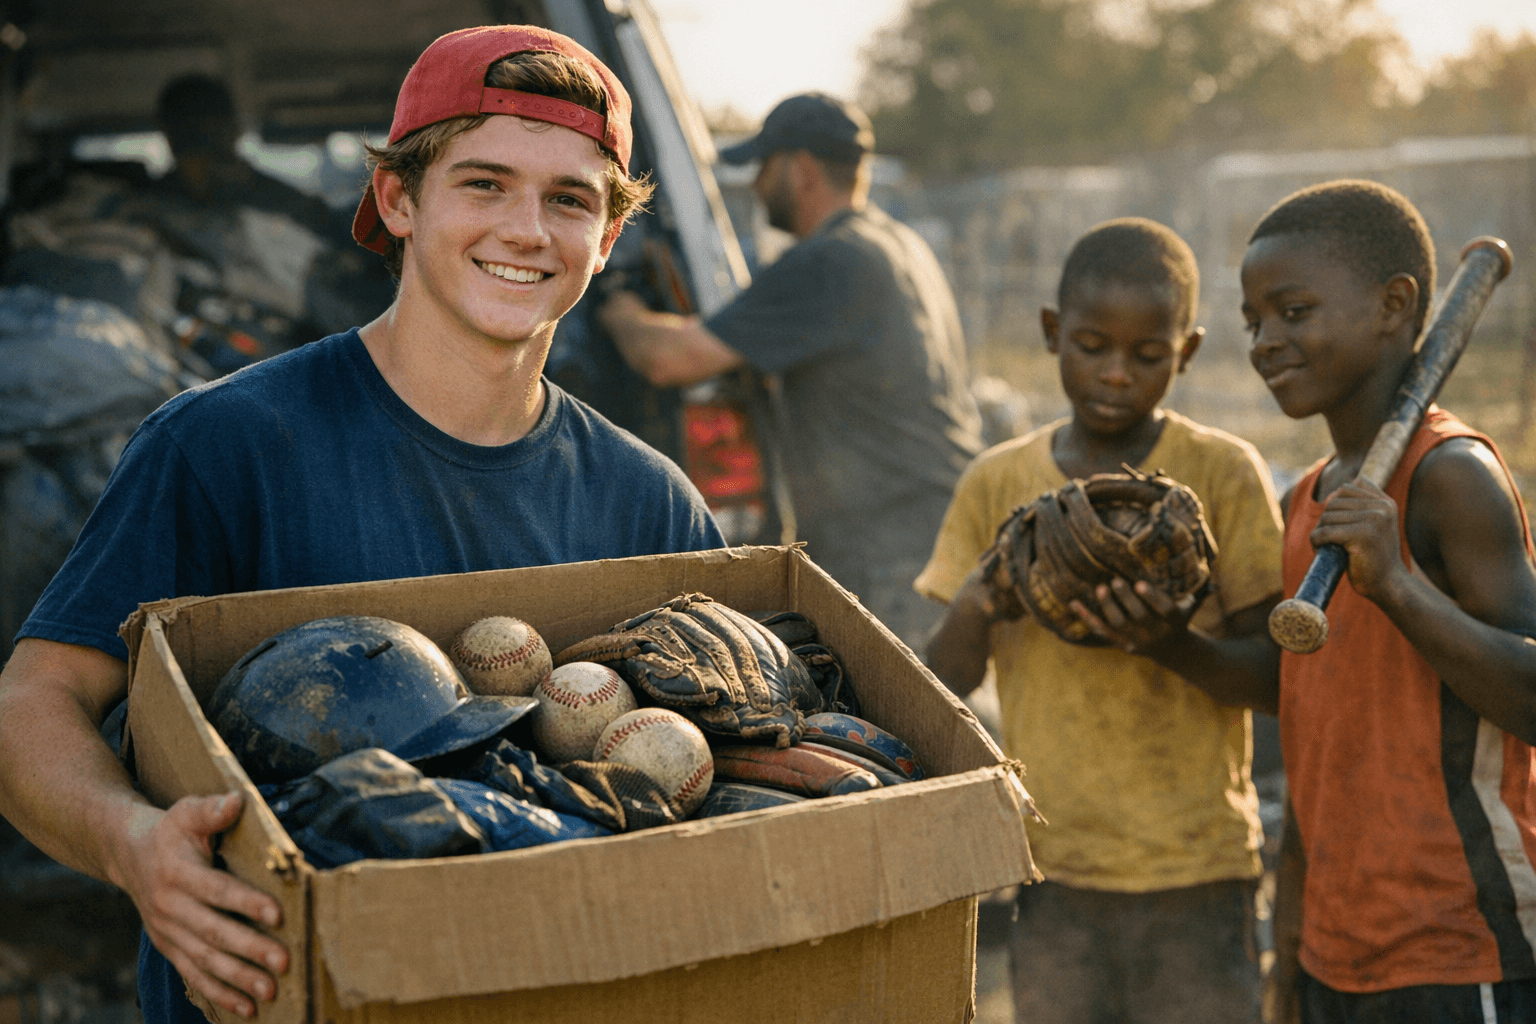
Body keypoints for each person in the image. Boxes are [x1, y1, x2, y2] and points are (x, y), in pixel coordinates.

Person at [0, 25, 724, 1023]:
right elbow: (33, 702)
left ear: (607, 238)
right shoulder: (226, 446)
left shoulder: (651, 502)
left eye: (570, 198)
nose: (526, 229)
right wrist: (132, 844)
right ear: (398, 200)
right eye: (483, 183)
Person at [1074, 182, 1536, 1023]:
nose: (1265, 341)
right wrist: (1169, 643)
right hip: (1332, 949)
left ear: (1396, 305)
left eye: (1293, 310)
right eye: (1254, 321)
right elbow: (1303, 701)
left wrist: (1396, 585)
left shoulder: (1449, 477)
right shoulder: (1312, 500)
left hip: (1454, 945)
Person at [917, 218, 1284, 1023]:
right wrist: (981, 602)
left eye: (1148, 356)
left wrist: (1171, 644)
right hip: (1054, 866)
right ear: (1053, 334)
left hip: (1199, 868)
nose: (1116, 374)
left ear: (1185, 352)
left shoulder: (1221, 473)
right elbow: (943, 685)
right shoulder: (998, 482)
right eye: (1091, 345)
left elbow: (1277, 678)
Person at [598, 92, 984, 649]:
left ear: (799, 170)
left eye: (764, 168)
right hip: (931, 531)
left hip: (891, 554)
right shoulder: (895, 242)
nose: (756, 186)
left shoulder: (831, 261)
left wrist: (615, 304)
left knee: (904, 726)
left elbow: (669, 359)